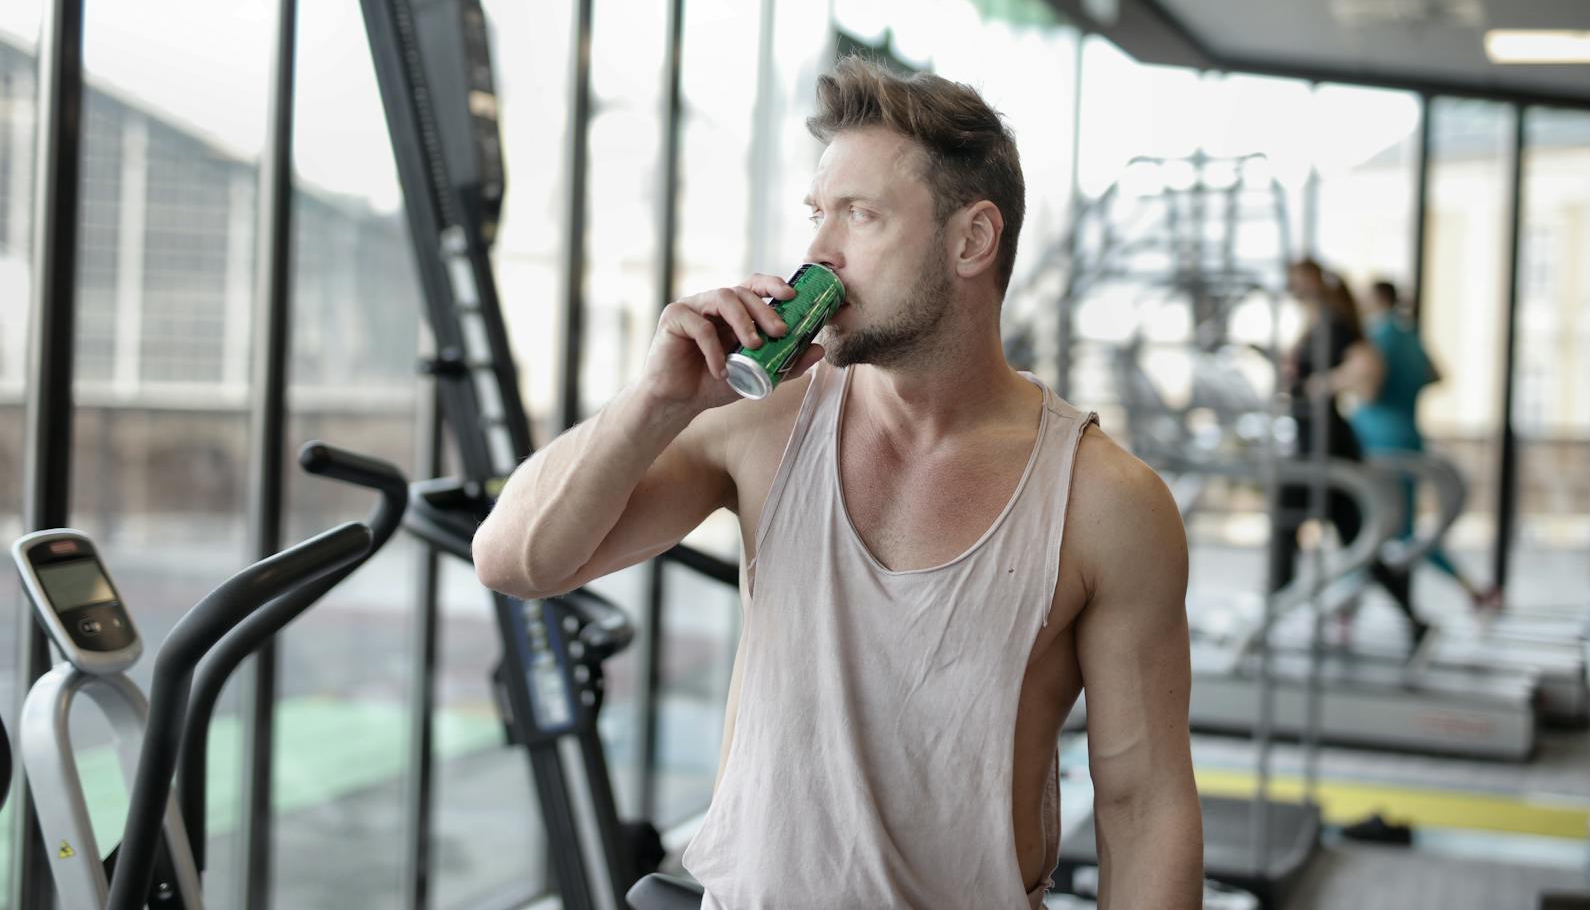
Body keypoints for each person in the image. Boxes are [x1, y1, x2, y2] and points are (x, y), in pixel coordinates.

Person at [472, 57, 1202, 909]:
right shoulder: (760, 423)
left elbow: (1143, 804)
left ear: (973, 240)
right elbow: (514, 560)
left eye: (860, 215)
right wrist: (656, 400)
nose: (818, 251)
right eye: (818, 213)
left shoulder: (1106, 501)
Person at [1274, 259, 1432, 642]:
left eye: (1298, 280)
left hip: (1327, 447)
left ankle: (1275, 602)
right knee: (1358, 539)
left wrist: (1323, 385)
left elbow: (1368, 368)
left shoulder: (1334, 325)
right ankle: (1415, 621)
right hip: (1316, 443)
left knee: (1287, 513)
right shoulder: (1316, 325)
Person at [1351, 280, 1498, 609]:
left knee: (1378, 525)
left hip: (1379, 437)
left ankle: (1347, 601)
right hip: (1407, 433)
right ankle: (1470, 589)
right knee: (1400, 527)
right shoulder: (1409, 335)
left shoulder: (1378, 337)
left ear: (1378, 299)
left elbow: (1370, 388)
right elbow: (1436, 375)